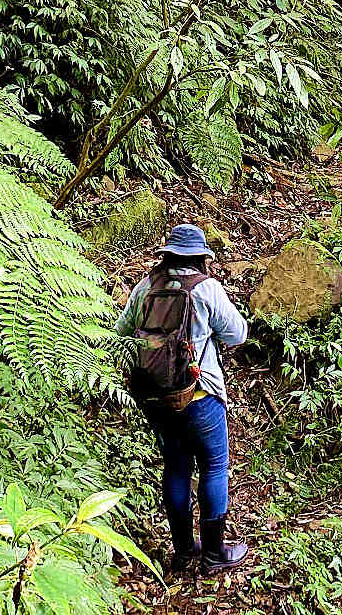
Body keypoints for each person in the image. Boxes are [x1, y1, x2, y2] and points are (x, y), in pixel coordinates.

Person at [116, 224, 252, 576]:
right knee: (213, 466)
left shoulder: (146, 286)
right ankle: (214, 554)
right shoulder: (206, 289)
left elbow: (121, 334)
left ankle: (182, 552)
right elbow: (238, 334)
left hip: (156, 399)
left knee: (176, 467)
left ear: (168, 254)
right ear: (199, 258)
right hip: (200, 394)